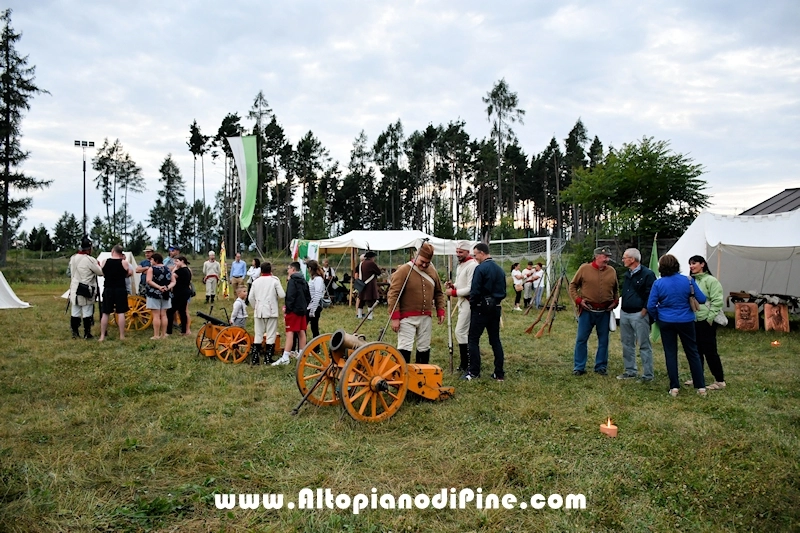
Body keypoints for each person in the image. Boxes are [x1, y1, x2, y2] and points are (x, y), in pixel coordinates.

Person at [647, 254, 708, 397]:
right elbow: (702, 299)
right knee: (692, 352)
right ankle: (700, 387)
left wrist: (657, 317)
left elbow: (650, 305)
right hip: (686, 320)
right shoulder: (688, 280)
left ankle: (674, 387)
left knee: (670, 353)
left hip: (666, 320)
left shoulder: (658, 283)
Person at [387, 242, 445, 364]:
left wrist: (440, 310)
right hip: (406, 317)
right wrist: (395, 317)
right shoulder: (404, 270)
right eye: (422, 261)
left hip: (425, 317)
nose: (424, 265)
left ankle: (422, 374)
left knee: (424, 347)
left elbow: (439, 292)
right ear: (416, 255)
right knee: (405, 347)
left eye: (427, 263)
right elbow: (393, 294)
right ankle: (403, 374)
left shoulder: (432, 271)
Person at [568, 246, 619, 376]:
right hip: (587, 310)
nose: (607, 259)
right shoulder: (584, 269)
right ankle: (579, 367)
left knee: (604, 340)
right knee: (581, 339)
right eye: (605, 256)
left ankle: (601, 366)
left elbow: (616, 289)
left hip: (604, 311)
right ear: (596, 256)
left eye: (608, 257)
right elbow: (573, 285)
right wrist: (578, 300)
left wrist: (615, 301)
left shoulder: (612, 271)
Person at [462, 243, 507, 381]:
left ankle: (474, 371)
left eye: (475, 255)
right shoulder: (500, 270)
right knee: (495, 340)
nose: (474, 258)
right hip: (496, 308)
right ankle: (499, 373)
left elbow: (475, 290)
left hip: (480, 308)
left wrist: (473, 305)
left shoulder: (480, 269)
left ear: (482, 253)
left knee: (473, 339)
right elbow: (503, 292)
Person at [617, 248, 656, 382]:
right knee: (627, 343)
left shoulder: (648, 274)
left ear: (632, 259)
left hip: (639, 314)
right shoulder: (627, 274)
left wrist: (645, 310)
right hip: (625, 313)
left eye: (625, 257)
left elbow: (651, 294)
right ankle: (630, 371)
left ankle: (648, 374)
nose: (623, 260)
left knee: (644, 344)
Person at [688, 255, 726, 390]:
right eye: (690, 264)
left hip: (706, 320)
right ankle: (698, 377)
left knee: (710, 351)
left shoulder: (711, 280)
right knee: (696, 351)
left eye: (694, 263)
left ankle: (719, 380)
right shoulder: (690, 280)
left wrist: (710, 318)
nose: (691, 266)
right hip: (693, 319)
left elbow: (717, 300)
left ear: (702, 264)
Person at [445, 241, 478, 371]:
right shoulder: (461, 265)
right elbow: (460, 284)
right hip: (462, 302)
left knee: (460, 331)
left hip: (469, 302)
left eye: (461, 252)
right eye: (457, 252)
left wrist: (453, 292)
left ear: (467, 252)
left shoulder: (472, 265)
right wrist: (453, 286)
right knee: (463, 332)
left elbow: (470, 288)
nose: (458, 254)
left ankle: (466, 362)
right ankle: (466, 362)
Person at [273, 261, 310, 366]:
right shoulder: (304, 280)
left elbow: (290, 297)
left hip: (293, 311)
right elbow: (308, 296)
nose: (287, 270)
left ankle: (285, 357)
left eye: (288, 268)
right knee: (301, 331)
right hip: (302, 311)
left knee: (289, 332)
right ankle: (302, 354)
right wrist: (304, 306)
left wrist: (287, 310)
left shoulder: (292, 281)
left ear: (293, 269)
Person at [249, 262, 285, 365]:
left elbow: (250, 298)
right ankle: (267, 358)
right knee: (271, 334)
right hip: (271, 310)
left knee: (258, 334)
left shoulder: (256, 281)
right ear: (271, 270)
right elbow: (282, 295)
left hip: (259, 310)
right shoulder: (275, 280)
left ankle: (255, 359)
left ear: (261, 270)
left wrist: (255, 306)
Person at [68, 237, 103, 339]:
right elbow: (100, 272)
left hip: (74, 288)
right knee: (87, 310)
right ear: (89, 248)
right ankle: (87, 334)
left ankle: (75, 333)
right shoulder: (90, 260)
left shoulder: (73, 258)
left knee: (75, 310)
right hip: (86, 288)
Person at [99, 244, 132, 341]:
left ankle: (102, 336)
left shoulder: (105, 261)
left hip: (108, 288)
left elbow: (103, 273)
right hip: (120, 289)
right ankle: (122, 335)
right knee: (121, 312)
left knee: (105, 313)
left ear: (112, 251)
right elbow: (129, 273)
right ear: (121, 253)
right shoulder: (124, 262)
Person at [145, 252, 175, 340]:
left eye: (151, 260)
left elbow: (149, 280)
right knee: (164, 315)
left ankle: (156, 335)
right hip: (166, 293)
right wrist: (167, 287)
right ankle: (163, 334)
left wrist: (159, 287)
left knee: (156, 315)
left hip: (154, 293)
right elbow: (173, 281)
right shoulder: (168, 269)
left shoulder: (151, 269)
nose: (150, 261)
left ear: (156, 260)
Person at [166, 255, 192, 336]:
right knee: (182, 312)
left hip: (179, 293)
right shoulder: (187, 270)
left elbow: (171, 276)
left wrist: (175, 269)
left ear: (182, 261)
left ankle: (169, 331)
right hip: (185, 292)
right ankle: (184, 330)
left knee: (170, 311)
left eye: (177, 261)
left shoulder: (181, 271)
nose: (175, 263)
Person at [357, 251, 382, 319]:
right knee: (370, 300)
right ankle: (370, 316)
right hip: (369, 284)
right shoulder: (371, 263)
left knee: (361, 300)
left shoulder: (362, 263)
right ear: (371, 257)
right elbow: (378, 272)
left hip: (362, 283)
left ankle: (359, 315)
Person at [306, 259, 325, 338]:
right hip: (310, 305)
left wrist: (313, 310)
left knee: (314, 327)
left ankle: (316, 344)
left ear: (310, 268)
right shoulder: (312, 279)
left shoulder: (318, 279)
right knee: (312, 327)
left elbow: (318, 294)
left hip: (314, 306)